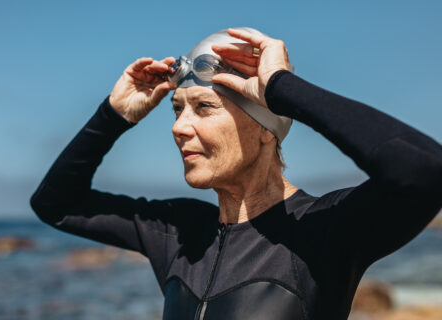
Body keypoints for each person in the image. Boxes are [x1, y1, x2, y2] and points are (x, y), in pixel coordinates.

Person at [30, 27, 442, 320]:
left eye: (203, 108)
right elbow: (55, 205)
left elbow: (424, 172)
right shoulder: (180, 233)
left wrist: (282, 88)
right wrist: (114, 115)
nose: (178, 127)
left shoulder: (324, 229)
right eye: (177, 109)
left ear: (265, 129)